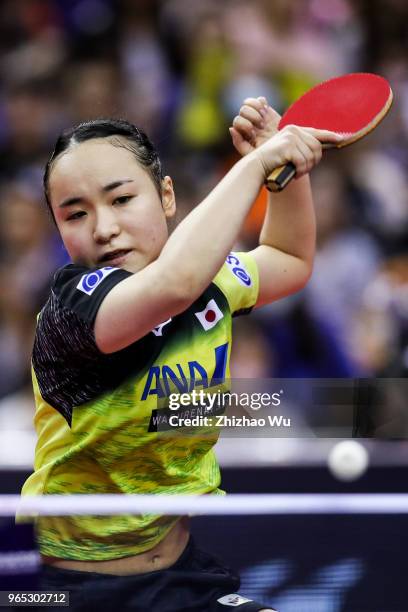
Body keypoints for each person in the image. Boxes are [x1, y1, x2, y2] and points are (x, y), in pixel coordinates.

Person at [20, 96, 342, 611]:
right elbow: (175, 282)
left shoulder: (215, 282)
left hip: (178, 578)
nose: (103, 228)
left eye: (122, 200)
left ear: (167, 196)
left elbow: (288, 258)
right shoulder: (73, 308)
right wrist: (254, 164)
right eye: (75, 214)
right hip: (67, 590)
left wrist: (284, 171)